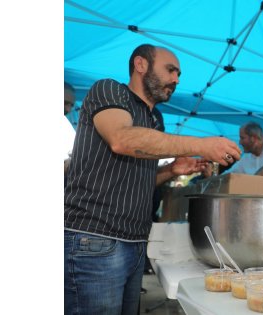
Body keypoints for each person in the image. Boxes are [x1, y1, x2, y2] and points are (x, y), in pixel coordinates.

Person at [64, 43, 241, 315]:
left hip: (135, 243)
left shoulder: (155, 117)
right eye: (170, 70)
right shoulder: (110, 90)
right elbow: (121, 140)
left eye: (178, 74)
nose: (176, 80)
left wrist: (171, 171)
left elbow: (136, 178)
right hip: (94, 239)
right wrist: (201, 144)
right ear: (140, 65)